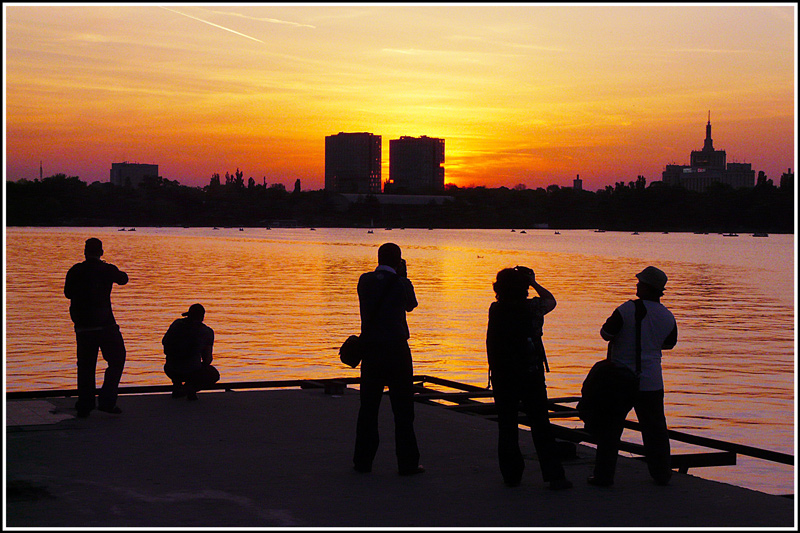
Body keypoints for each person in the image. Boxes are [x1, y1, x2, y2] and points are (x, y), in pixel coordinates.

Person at [588, 266, 678, 487]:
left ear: (646, 287)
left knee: (610, 430)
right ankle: (661, 474)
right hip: (653, 381)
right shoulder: (668, 316)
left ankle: (604, 476)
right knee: (656, 430)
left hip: (620, 381)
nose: (637, 285)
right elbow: (669, 344)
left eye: (640, 282)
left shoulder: (626, 310)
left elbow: (606, 334)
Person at [486, 266, 572, 489]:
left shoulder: (495, 309)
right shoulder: (533, 307)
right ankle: (554, 475)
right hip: (531, 373)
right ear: (524, 288)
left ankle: (511, 475)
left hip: (504, 375)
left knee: (507, 425)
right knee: (541, 424)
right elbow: (550, 300)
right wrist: (533, 282)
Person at [353, 243, 423, 476]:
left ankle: (363, 461)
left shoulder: (364, 281)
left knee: (368, 408)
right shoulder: (402, 284)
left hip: (371, 351)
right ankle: (407, 463)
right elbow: (411, 305)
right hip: (397, 352)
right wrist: (403, 276)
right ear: (399, 260)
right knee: (403, 410)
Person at [64, 237, 128, 417]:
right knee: (117, 360)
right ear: (101, 252)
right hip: (106, 325)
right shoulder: (107, 269)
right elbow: (124, 279)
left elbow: (68, 293)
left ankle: (85, 405)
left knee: (85, 366)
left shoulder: (75, 270)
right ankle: (107, 401)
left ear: (85, 252)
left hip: (83, 327)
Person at [162, 303, 219, 401]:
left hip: (170, 368)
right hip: (191, 370)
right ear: (202, 317)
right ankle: (188, 389)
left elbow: (165, 345)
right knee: (213, 375)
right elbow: (207, 359)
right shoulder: (206, 332)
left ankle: (178, 385)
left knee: (179, 364)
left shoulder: (176, 324)